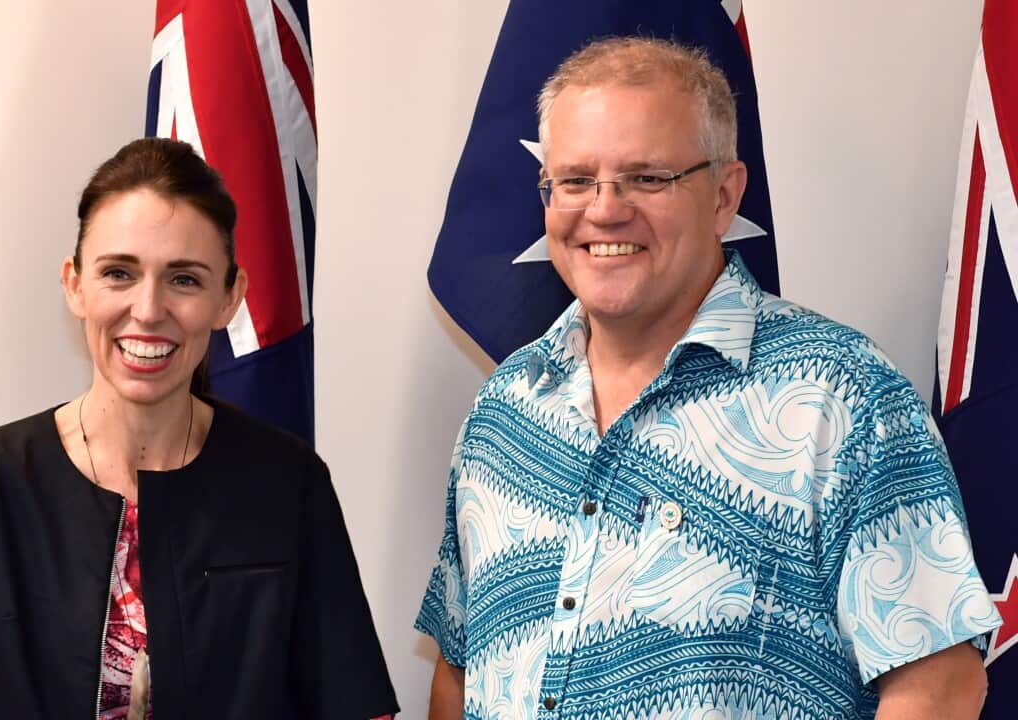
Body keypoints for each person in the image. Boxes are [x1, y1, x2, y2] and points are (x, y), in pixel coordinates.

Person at [416, 37, 1000, 720]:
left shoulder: (840, 399)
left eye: (648, 178)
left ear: (724, 196)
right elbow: (459, 673)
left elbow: (938, 685)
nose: (605, 210)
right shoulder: (503, 413)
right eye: (575, 180)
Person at [0, 138, 399, 720]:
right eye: (119, 273)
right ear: (75, 285)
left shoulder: (289, 483)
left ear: (230, 298)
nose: (148, 309)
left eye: (185, 279)